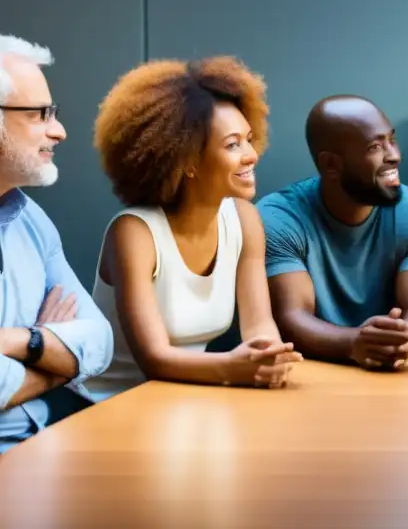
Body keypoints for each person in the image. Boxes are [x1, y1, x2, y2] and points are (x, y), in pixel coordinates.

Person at [84, 57, 300, 400]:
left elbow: (259, 328)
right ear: (186, 161)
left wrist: (270, 361)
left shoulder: (245, 219)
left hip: (189, 398)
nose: (251, 154)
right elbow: (154, 359)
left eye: (248, 138)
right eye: (232, 145)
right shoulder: (134, 233)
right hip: (111, 406)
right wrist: (233, 368)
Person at [259, 96, 408, 371]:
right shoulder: (279, 217)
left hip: (398, 379)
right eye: (375, 146)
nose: (394, 155)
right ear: (331, 165)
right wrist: (353, 343)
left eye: (391, 140)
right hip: (311, 376)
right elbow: (292, 317)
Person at [0, 35, 113, 453]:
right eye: (37, 115)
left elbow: (99, 341)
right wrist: (53, 362)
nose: (59, 131)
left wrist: (22, 340)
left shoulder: (32, 220)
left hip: (50, 446)